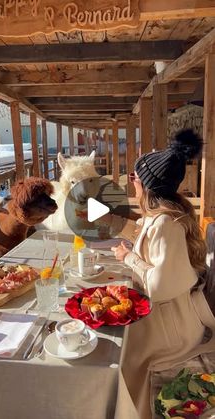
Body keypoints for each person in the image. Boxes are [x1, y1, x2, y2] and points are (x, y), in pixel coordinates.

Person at [107, 129, 215, 418]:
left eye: (134, 177)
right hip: (164, 316)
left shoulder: (167, 224)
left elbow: (158, 285)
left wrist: (128, 257)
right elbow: (145, 234)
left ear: (147, 185)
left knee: (121, 358)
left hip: (172, 328)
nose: (132, 183)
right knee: (116, 340)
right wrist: (113, 223)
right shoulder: (162, 217)